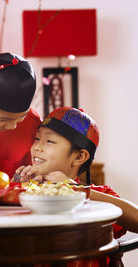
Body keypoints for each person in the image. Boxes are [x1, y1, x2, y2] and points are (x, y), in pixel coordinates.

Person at [11, 107, 138, 266]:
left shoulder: (98, 196)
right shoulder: (26, 191)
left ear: (79, 157)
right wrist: (13, 191)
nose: (37, 147)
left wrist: (74, 189)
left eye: (49, 141)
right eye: (37, 139)